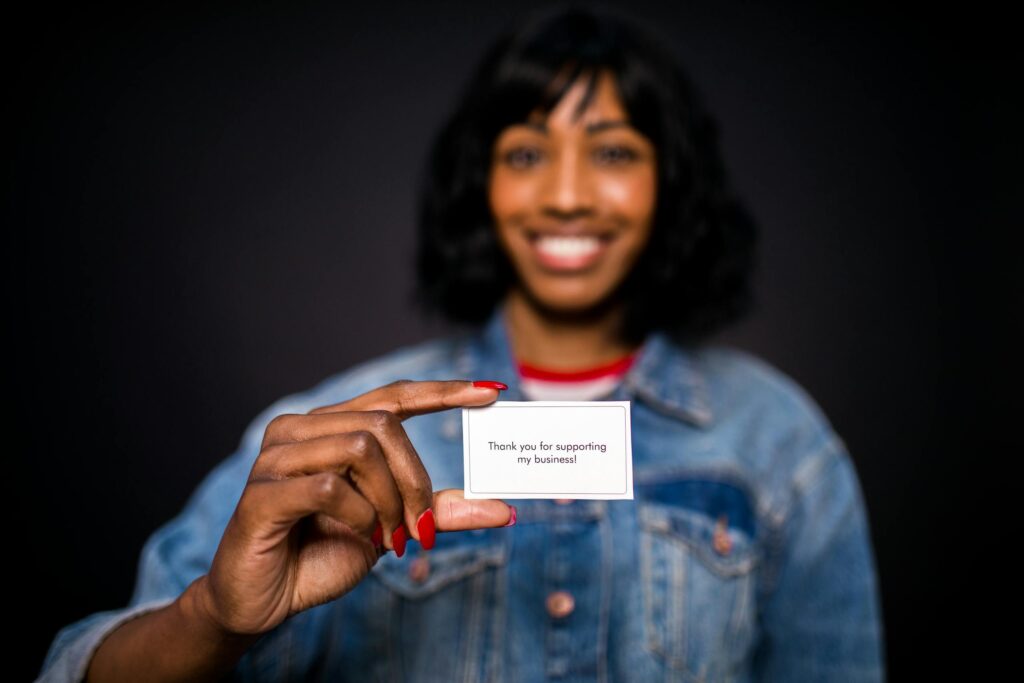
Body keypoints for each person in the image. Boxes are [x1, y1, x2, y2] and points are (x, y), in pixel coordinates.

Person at [37, 5, 885, 682]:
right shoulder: (334, 435)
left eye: (613, 152)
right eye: (526, 154)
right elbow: (75, 667)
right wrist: (214, 619)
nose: (566, 195)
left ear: (671, 183)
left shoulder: (780, 444)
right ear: (481, 183)